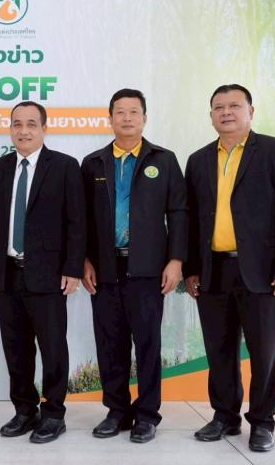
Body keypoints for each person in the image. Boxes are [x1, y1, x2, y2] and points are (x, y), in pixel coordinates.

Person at [184, 84, 275, 452]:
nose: (226, 112)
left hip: (263, 273)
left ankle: (263, 422)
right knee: (219, 350)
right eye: (219, 107)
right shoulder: (198, 160)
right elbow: (191, 221)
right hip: (213, 271)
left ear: (251, 111)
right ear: (210, 115)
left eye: (235, 106)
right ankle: (225, 416)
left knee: (264, 352)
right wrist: (192, 269)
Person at [80, 89, 187, 443]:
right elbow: (81, 219)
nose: (127, 118)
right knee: (110, 344)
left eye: (133, 112)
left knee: (147, 344)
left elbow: (179, 212)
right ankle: (117, 411)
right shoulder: (93, 163)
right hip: (105, 270)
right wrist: (84, 260)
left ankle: (147, 415)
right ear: (110, 118)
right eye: (120, 112)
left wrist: (176, 260)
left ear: (144, 118)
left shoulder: (164, 160)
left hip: (148, 269)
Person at [0, 101, 85, 444]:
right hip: (9, 273)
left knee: (53, 348)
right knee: (16, 348)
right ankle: (25, 410)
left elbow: (76, 222)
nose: (23, 131)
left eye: (30, 124)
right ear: (10, 128)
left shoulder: (65, 166)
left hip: (49, 274)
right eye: (17, 124)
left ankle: (53, 414)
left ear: (44, 128)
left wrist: (72, 268)